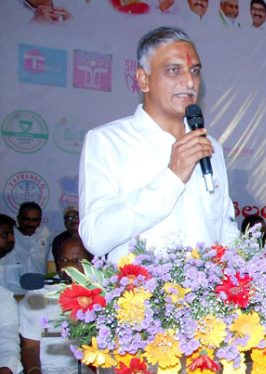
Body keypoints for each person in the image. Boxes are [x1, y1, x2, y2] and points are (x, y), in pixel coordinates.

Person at [79, 27, 240, 261]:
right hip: (139, 295)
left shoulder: (210, 145)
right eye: (174, 70)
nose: (189, 82)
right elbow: (95, 238)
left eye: (194, 71)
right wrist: (172, 177)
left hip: (208, 295)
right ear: (143, 79)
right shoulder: (107, 141)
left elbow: (224, 228)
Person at [17, 237, 101, 374]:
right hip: (39, 370)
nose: (69, 266)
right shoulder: (38, 296)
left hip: (72, 370)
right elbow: (29, 349)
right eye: (63, 260)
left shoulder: (99, 292)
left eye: (77, 260)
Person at [0, 214, 23, 374]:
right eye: (4, 234)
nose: (10, 239)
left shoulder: (4, 299)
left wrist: (5, 370)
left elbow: (8, 337)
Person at [14, 202, 50, 275]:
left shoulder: (47, 236)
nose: (30, 224)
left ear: (40, 221)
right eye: (26, 219)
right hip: (11, 285)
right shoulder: (9, 237)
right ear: (18, 219)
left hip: (40, 284)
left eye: (35, 220)